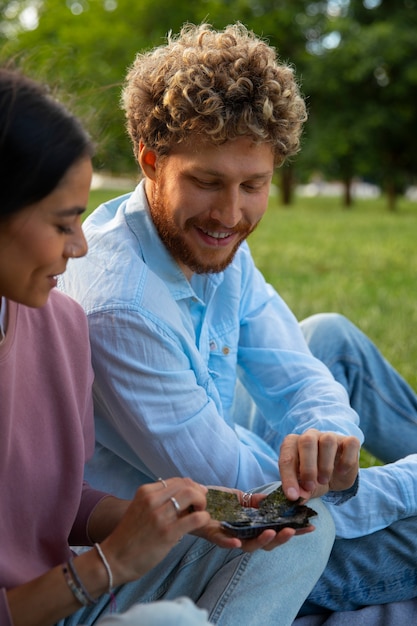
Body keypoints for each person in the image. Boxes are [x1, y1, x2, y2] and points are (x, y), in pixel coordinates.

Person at [59, 22, 417, 620]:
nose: (230, 213)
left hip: (223, 473)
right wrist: (402, 484)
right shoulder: (122, 307)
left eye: (254, 185)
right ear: (150, 160)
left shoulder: (212, 240)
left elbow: (294, 369)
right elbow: (253, 504)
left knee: (328, 337)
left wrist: (327, 430)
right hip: (186, 549)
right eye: (207, 182)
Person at [0, 67, 339, 626]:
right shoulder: (115, 305)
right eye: (63, 224)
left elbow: (52, 504)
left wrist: (180, 514)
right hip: (68, 596)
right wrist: (108, 565)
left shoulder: (56, 323)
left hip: (84, 591)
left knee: (306, 529)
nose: (81, 246)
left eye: (253, 185)